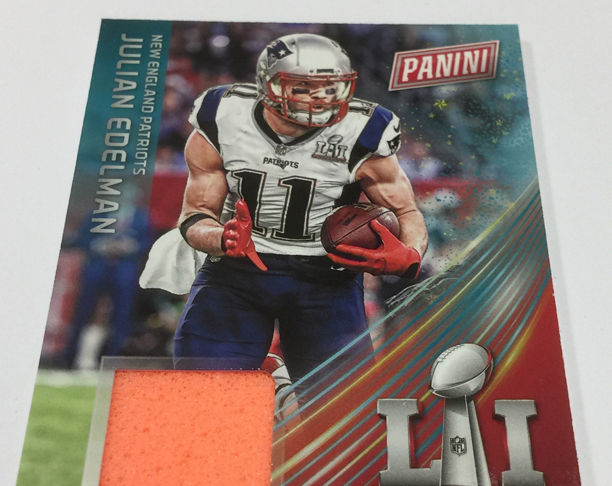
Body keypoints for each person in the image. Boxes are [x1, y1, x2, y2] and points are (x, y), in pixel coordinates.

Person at [174, 33, 427, 390]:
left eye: (329, 88)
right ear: (268, 84)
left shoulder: (363, 130)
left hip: (327, 280)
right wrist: (222, 238)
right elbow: (195, 213)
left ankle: (280, 396)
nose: (320, 98)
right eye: (304, 87)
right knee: (203, 395)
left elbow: (406, 211)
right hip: (237, 273)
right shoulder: (223, 115)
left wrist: (410, 253)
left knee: (339, 411)